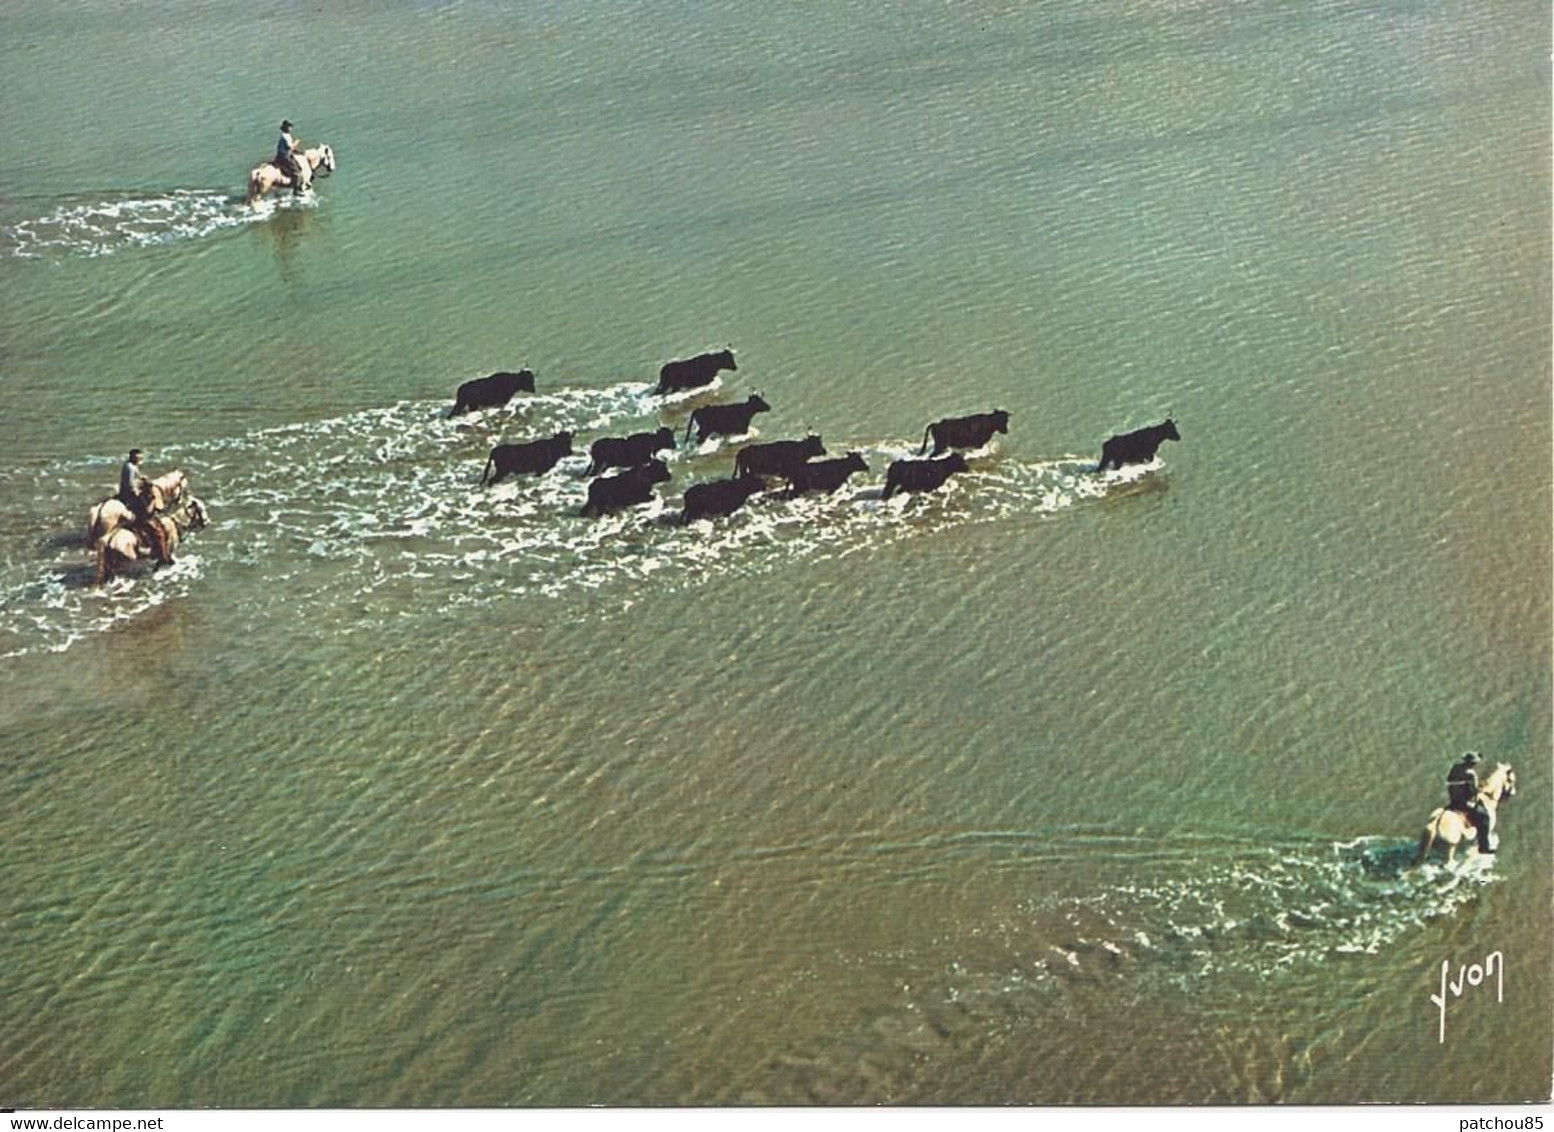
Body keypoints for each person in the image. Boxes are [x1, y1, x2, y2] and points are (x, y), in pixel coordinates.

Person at [1445, 751, 1494, 854]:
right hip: (1463, 803)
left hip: (1453, 801)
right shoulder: (1471, 774)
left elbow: (1449, 780)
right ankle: (1483, 847)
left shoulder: (1455, 767)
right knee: (1484, 816)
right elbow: (1474, 791)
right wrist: (1481, 790)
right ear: (1472, 763)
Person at [275, 119, 305, 195]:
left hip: (281, 155)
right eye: (289, 127)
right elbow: (291, 147)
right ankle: (296, 190)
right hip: (285, 157)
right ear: (286, 128)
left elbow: (289, 148)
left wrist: (300, 152)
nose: (291, 128)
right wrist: (296, 142)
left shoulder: (284, 136)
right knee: (297, 173)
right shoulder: (286, 136)